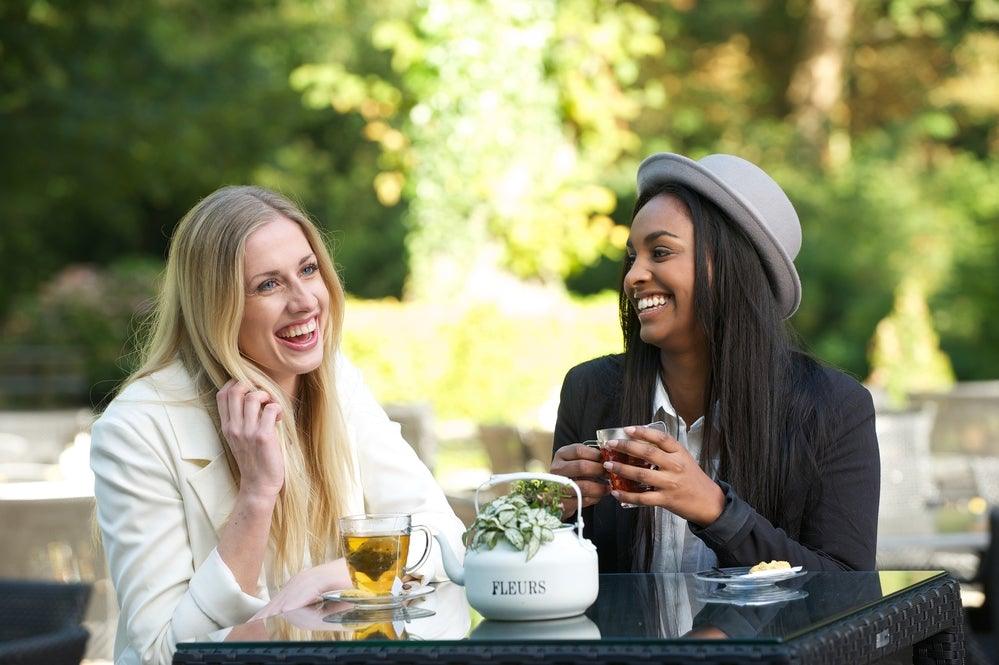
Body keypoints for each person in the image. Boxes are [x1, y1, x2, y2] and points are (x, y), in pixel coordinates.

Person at [90, 186, 466, 665]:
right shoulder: (136, 429)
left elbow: (444, 539)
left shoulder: (336, 381)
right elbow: (162, 653)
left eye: (308, 270)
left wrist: (344, 573)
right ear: (215, 307)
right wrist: (257, 493)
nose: (305, 300)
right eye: (268, 284)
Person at [549, 153, 879, 574]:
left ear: (731, 268)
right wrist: (550, 514)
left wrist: (717, 511)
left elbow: (850, 591)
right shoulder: (590, 391)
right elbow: (557, 584)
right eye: (632, 257)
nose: (633, 276)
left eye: (661, 252)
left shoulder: (833, 408)